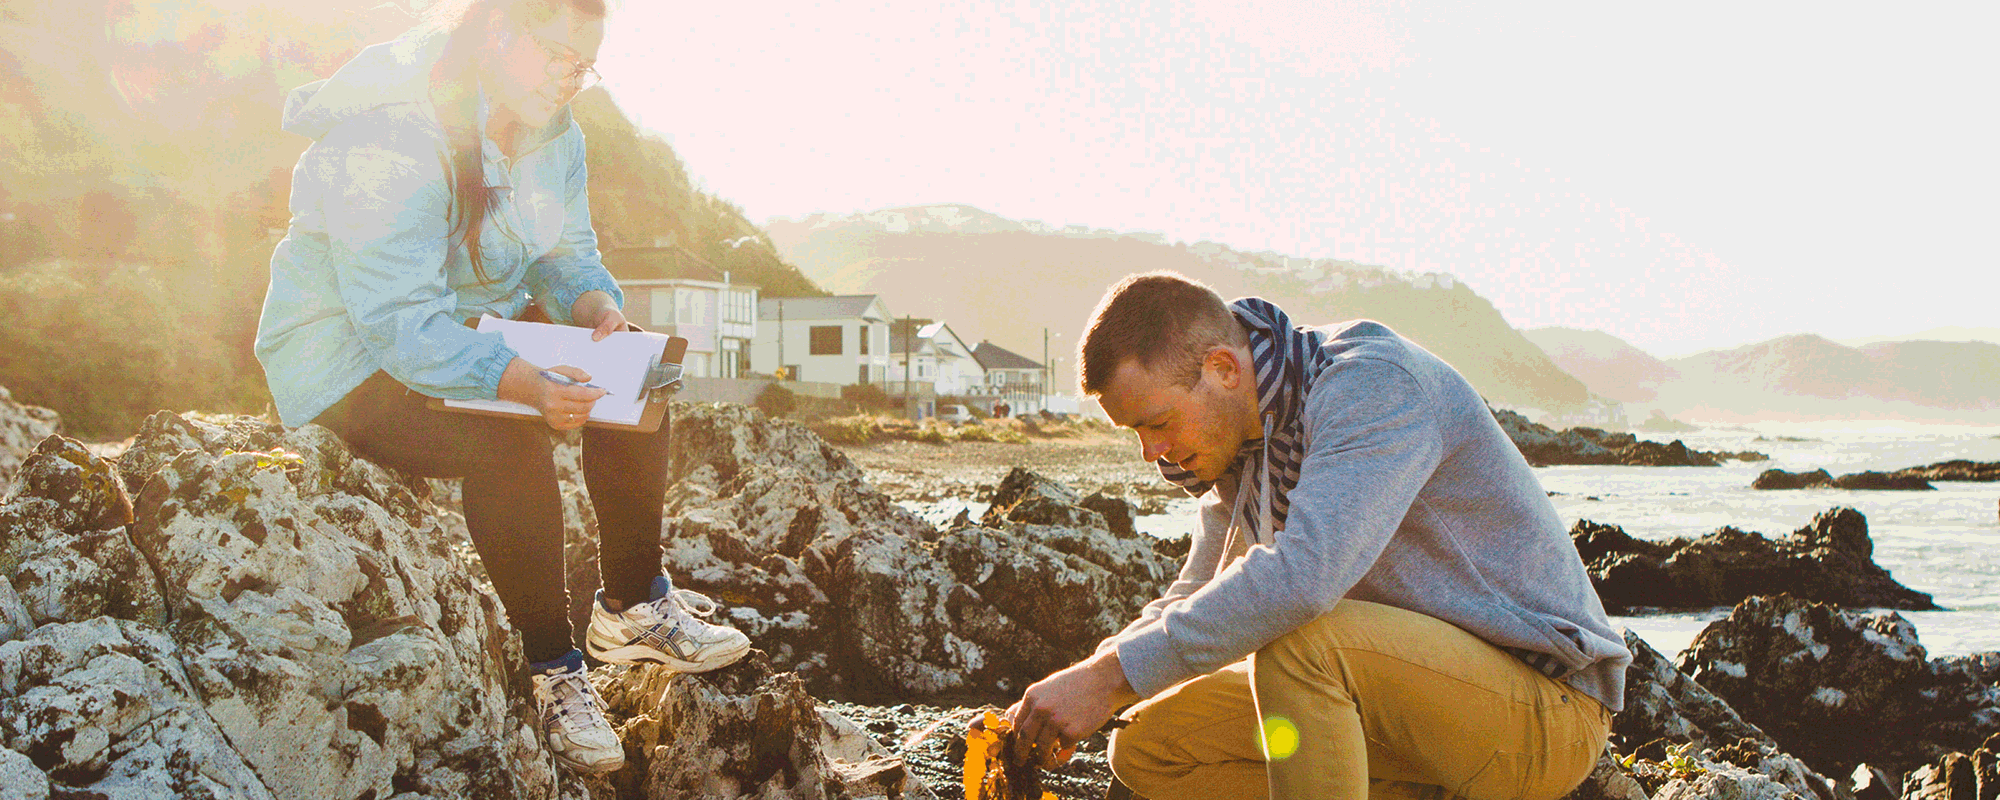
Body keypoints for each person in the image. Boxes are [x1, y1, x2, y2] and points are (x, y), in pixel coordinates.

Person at [254, 0, 749, 774]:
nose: (570, 79)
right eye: (557, 55)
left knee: (639, 373)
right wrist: (518, 379)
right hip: (348, 361)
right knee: (511, 435)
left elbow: (562, 251)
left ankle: (633, 604)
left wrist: (596, 308)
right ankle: (554, 670)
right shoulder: (392, 135)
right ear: (498, 34)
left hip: (466, 325)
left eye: (583, 64)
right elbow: (397, 323)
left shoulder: (555, 135)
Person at [1005, 271, 1630, 800]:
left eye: (1159, 423)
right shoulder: (1242, 444)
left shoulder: (1370, 384)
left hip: (1545, 709)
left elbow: (1303, 580)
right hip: (1403, 709)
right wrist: (1089, 680)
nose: (1151, 453)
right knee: (1147, 743)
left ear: (1223, 367)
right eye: (1136, 434)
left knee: (1298, 642)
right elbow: (1196, 592)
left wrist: (1111, 677)